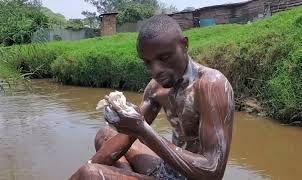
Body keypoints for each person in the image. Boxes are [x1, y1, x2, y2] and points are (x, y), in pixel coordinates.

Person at [70, 15, 234, 180]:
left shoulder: (211, 84)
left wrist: (142, 129)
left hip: (194, 176)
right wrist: (128, 123)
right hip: (168, 169)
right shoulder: (156, 87)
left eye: (164, 58)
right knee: (105, 135)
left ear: (184, 45)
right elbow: (130, 134)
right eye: (148, 63)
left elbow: (212, 172)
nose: (156, 70)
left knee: (90, 175)